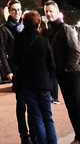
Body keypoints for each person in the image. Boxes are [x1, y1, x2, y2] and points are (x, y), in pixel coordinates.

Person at [43, 1, 80, 144]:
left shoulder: (65, 29)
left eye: (51, 11)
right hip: (60, 74)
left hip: (70, 73)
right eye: (46, 12)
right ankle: (79, 136)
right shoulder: (49, 30)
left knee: (75, 106)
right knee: (71, 107)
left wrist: (68, 67)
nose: (49, 14)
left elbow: (76, 50)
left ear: (57, 12)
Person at [11, 10, 58, 144]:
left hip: (27, 84)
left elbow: (15, 60)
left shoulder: (19, 39)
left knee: (36, 116)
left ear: (24, 22)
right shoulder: (43, 40)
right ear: (37, 23)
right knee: (48, 117)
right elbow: (52, 64)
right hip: (43, 83)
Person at [0, 0, 23, 83]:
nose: (16, 12)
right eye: (14, 10)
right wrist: (8, 71)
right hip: (15, 67)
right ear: (9, 11)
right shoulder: (4, 29)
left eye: (18, 9)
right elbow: (2, 51)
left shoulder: (26, 26)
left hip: (29, 66)